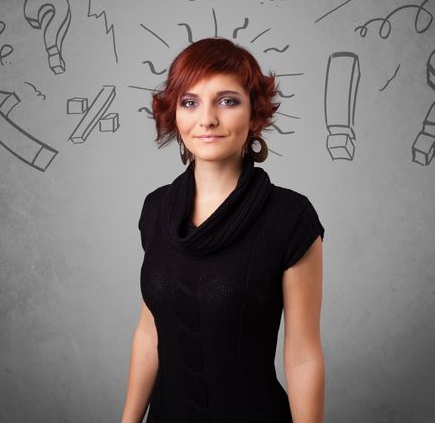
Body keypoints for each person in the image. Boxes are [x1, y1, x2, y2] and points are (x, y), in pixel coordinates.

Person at [121, 37, 325, 423]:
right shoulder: (155, 209)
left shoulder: (291, 217)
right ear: (174, 114)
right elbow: (150, 332)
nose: (207, 118)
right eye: (190, 102)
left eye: (228, 101)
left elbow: (303, 356)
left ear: (255, 114)